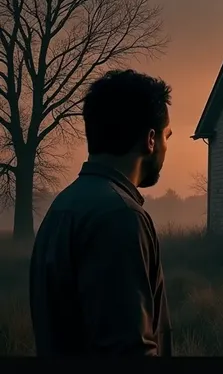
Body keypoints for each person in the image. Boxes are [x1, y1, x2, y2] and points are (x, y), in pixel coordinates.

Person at [29, 69, 174, 356]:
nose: (167, 147)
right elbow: (128, 349)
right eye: (167, 136)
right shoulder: (120, 216)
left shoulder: (63, 206)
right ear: (151, 140)